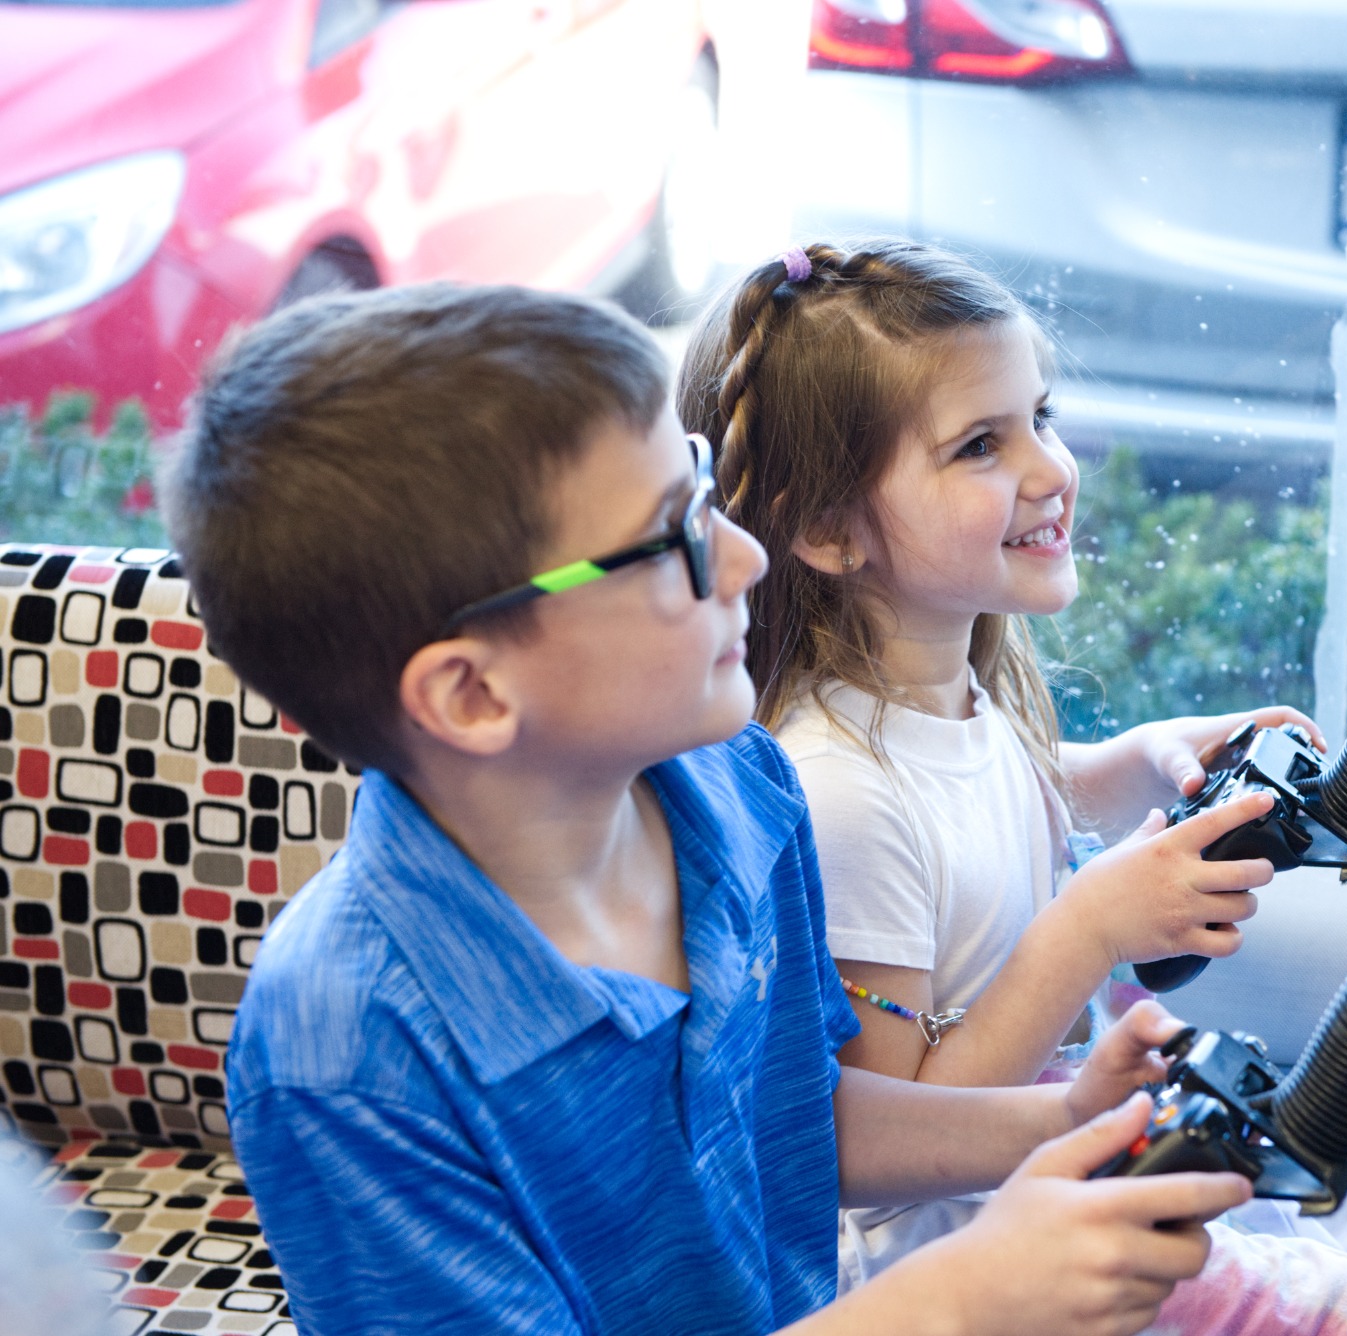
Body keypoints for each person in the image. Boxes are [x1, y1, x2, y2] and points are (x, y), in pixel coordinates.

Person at [169, 282, 1257, 1336]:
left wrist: (1058, 1120)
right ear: (472, 693)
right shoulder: (349, 1054)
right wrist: (956, 1301)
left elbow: (795, 1122)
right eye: (669, 536)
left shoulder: (736, 791)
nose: (741, 553)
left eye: (699, 485)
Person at [683, 239, 1347, 1336]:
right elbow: (890, 1138)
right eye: (980, 445)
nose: (1047, 469)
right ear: (828, 529)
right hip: (989, 1246)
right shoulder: (837, 795)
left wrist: (1134, 761)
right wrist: (1089, 926)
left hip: (1068, 1159)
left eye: (1040, 416)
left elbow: (998, 802)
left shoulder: (949, 692)